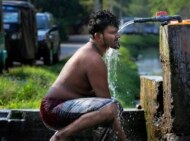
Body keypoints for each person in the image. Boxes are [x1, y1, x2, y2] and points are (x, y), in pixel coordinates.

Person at [39, 10, 127, 141]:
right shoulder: (93, 59)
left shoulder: (92, 53)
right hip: (53, 109)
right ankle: (60, 136)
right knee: (112, 107)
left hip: (59, 107)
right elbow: (109, 107)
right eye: (112, 33)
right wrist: (124, 139)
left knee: (115, 107)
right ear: (98, 36)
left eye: (117, 32)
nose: (117, 36)